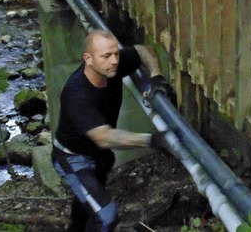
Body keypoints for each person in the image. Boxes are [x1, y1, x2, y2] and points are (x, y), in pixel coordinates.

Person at [51, 29, 171, 232]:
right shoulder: (77, 93)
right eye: (106, 56)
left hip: (100, 157)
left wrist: (156, 76)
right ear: (88, 59)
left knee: (87, 203)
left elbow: (144, 51)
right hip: (73, 159)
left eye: (115, 54)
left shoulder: (112, 65)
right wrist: (154, 140)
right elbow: (104, 137)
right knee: (105, 215)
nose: (114, 60)